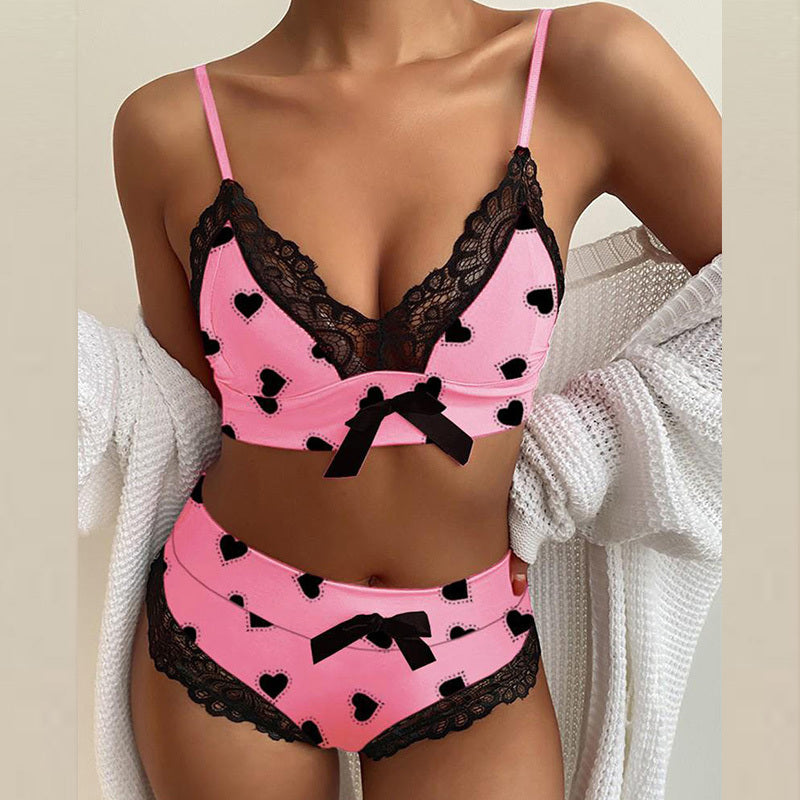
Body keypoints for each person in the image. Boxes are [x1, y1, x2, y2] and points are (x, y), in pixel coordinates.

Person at [110, 2, 721, 798]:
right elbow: (185, 410)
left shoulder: (583, 66)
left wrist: (575, 454)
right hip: (224, 620)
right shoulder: (169, 125)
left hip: (471, 643)